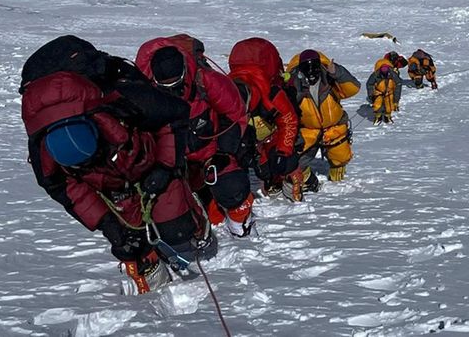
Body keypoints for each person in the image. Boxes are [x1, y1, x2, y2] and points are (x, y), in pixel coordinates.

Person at [20, 36, 205, 294]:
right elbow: (67, 190)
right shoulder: (45, 153)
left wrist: (165, 167)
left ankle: (190, 222)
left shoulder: (122, 98)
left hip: (147, 160)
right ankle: (147, 274)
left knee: (177, 229)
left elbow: (174, 114)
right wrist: (108, 224)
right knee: (126, 241)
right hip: (109, 183)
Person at [136, 35, 254, 237]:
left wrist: (224, 152)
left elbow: (234, 114)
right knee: (170, 218)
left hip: (210, 154)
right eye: (166, 86)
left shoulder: (206, 81)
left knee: (232, 185)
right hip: (171, 162)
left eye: (177, 83)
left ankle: (239, 221)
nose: (173, 90)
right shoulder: (141, 93)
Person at [228, 37, 300, 197]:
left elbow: (289, 121)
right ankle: (269, 180)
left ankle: (298, 181)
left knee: (285, 163)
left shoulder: (272, 94)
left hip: (273, 134)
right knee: (263, 171)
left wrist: (284, 151)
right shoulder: (225, 94)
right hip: (253, 139)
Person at [284, 49, 361, 190]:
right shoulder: (294, 84)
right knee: (295, 163)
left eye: (314, 66)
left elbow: (353, 88)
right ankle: (308, 181)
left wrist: (337, 72)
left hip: (334, 127)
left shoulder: (330, 78)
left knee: (340, 158)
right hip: (307, 130)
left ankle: (338, 185)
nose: (311, 71)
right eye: (307, 67)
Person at [367, 52, 405, 124]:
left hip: (389, 92)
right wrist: (371, 95)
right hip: (379, 92)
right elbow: (369, 84)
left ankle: (387, 116)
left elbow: (398, 85)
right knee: (377, 105)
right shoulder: (375, 75)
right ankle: (378, 116)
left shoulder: (393, 75)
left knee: (389, 105)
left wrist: (396, 100)